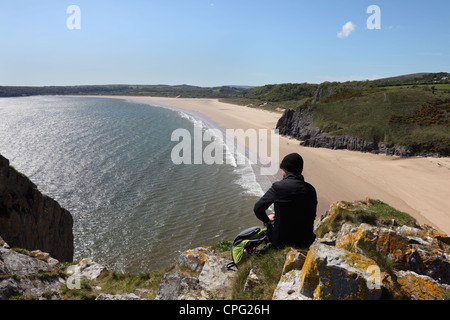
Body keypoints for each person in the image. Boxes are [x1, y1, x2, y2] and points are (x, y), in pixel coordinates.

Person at [254, 153, 317, 249]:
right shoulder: (311, 190)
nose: (281, 173)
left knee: (270, 216)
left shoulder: (278, 187)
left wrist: (267, 220)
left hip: (281, 243)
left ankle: (270, 247)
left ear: (286, 170)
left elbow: (258, 208)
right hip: (306, 241)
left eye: (282, 170)